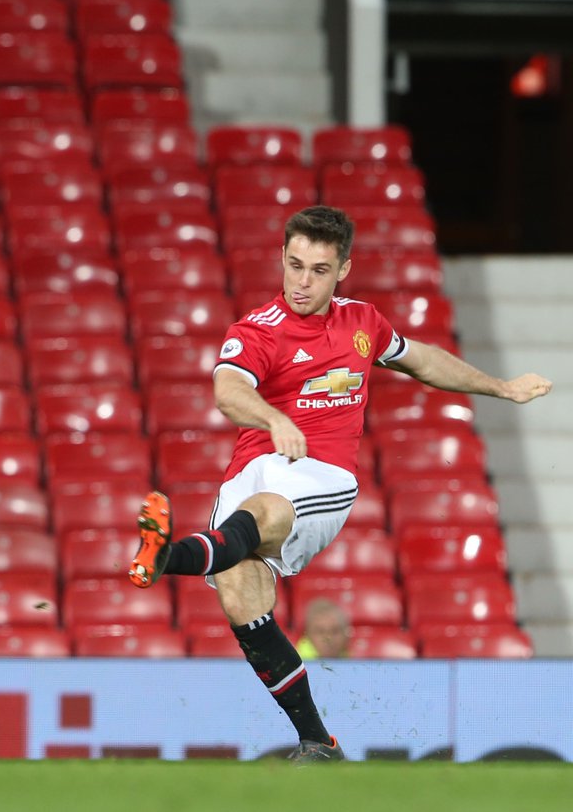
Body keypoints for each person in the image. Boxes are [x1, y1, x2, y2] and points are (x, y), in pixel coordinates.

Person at [128, 205, 551, 763]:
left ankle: (168, 558)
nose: (302, 282)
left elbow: (421, 360)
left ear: (343, 269)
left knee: (267, 511)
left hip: (320, 470)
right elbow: (228, 391)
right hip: (257, 460)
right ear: (281, 257)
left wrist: (503, 387)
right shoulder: (256, 331)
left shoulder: (363, 324)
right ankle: (318, 741)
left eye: (319, 270)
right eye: (295, 265)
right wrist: (273, 418)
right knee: (240, 594)